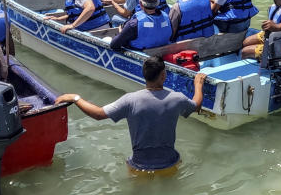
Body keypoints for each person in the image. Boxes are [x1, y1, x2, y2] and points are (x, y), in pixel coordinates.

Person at [54, 57, 206, 174]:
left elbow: (98, 114)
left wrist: (75, 98)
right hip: (170, 164)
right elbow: (196, 105)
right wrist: (198, 85)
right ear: (163, 75)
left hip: (139, 167)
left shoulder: (130, 100)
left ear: (144, 75)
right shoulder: (177, 98)